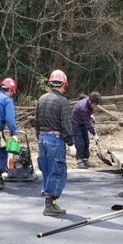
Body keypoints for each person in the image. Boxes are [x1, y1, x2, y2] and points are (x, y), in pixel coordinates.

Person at [35, 69, 76, 216]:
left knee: (46, 170)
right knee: (57, 171)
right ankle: (50, 203)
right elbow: (66, 124)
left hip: (42, 138)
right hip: (54, 139)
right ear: (64, 84)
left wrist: (39, 137)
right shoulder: (62, 101)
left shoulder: (42, 99)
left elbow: (37, 121)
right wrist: (70, 143)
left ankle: (48, 199)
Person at [71, 92, 103, 168]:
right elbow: (87, 124)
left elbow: (87, 118)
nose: (95, 107)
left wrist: (90, 115)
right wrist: (94, 134)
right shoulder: (83, 108)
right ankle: (79, 161)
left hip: (82, 122)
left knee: (86, 141)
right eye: (95, 104)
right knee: (80, 142)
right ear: (91, 102)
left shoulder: (89, 103)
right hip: (76, 124)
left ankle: (85, 159)